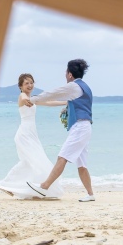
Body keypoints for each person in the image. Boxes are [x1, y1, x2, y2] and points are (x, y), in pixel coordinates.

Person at [26, 59, 95, 202]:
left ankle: (44, 187)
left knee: (62, 158)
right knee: (81, 165)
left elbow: (53, 93)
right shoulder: (86, 87)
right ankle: (90, 194)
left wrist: (33, 99)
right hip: (85, 127)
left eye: (66, 72)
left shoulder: (73, 86)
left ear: (69, 74)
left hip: (80, 127)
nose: (65, 74)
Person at [0, 73, 65, 199]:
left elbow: (49, 102)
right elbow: (23, 97)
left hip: (31, 134)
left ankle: (15, 186)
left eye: (31, 82)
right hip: (24, 134)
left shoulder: (33, 99)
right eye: (26, 83)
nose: (30, 85)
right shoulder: (22, 97)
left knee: (29, 162)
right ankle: (7, 184)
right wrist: (25, 99)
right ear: (21, 86)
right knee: (32, 160)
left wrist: (66, 102)